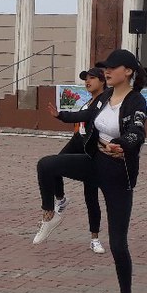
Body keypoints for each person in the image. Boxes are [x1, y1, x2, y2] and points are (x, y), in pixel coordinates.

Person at [33, 49, 147, 293]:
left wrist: (123, 145)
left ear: (128, 71)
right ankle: (50, 214)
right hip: (95, 162)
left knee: (118, 244)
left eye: (112, 67)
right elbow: (86, 114)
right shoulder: (105, 96)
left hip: (118, 174)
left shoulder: (136, 100)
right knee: (47, 165)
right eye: (105, 68)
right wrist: (61, 116)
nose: (107, 71)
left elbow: (137, 131)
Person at [50, 66, 108, 253]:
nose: (87, 82)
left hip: (90, 147)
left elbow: (85, 116)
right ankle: (61, 199)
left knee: (91, 195)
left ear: (102, 81)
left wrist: (61, 115)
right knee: (52, 166)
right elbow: (81, 121)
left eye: (92, 78)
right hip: (78, 141)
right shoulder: (88, 101)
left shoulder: (103, 101)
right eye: (85, 79)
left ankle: (94, 238)